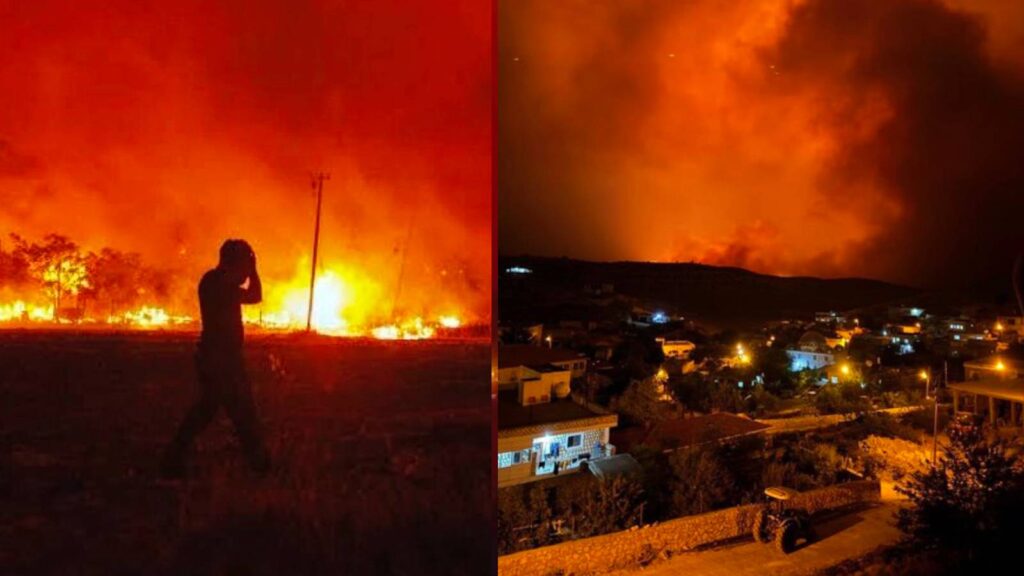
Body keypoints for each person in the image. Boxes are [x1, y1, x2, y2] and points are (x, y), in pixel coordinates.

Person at [161, 239, 270, 478]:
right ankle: (259, 462)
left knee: (218, 410)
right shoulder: (216, 283)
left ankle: (174, 457)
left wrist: (250, 270)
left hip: (223, 358)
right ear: (233, 262)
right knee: (238, 410)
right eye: (243, 264)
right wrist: (253, 271)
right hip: (219, 359)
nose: (245, 272)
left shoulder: (217, 281)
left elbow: (254, 296)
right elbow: (254, 295)